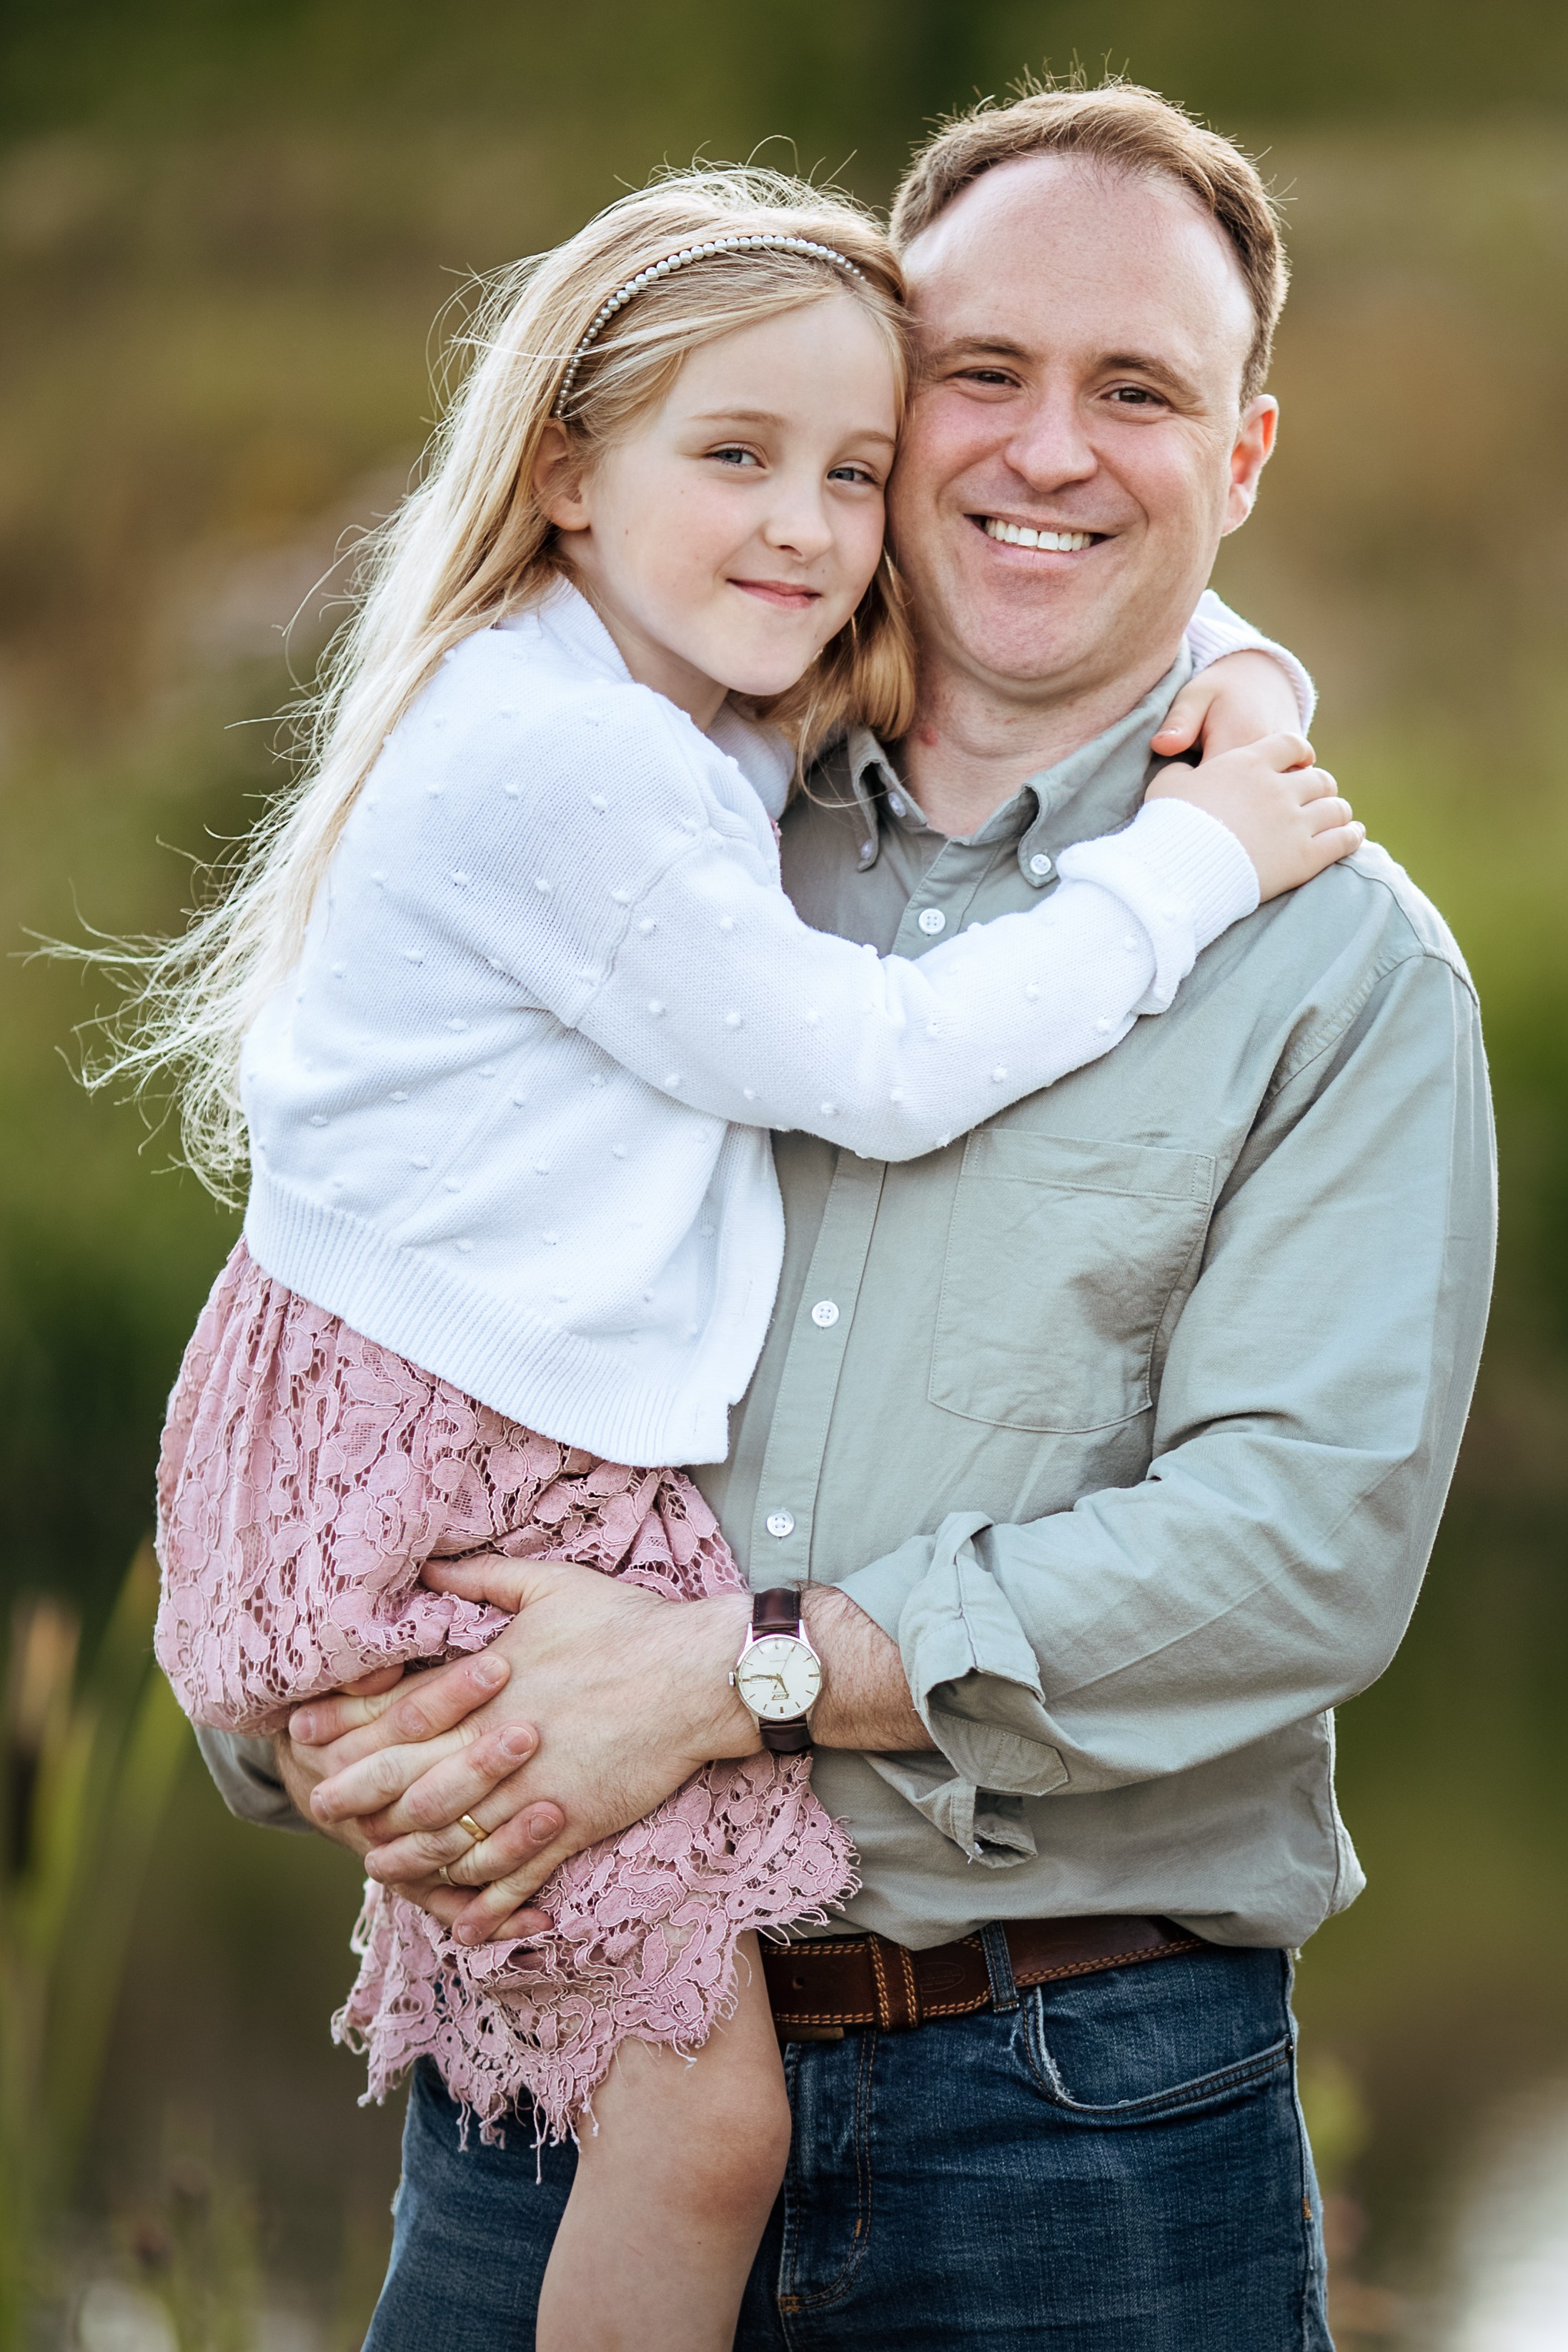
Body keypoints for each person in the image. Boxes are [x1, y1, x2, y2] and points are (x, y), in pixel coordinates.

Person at [202, 83, 1494, 2352]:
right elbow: (358, 1288)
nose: (1042, 451)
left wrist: (732, 1681)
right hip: (561, 2061)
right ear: (882, 417)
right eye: (976, 377)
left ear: (1246, 454)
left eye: (1136, 394)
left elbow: (1295, 1551)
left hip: (1072, 2121)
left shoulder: (1330, 962)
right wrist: (309, 1720)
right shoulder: (666, 807)